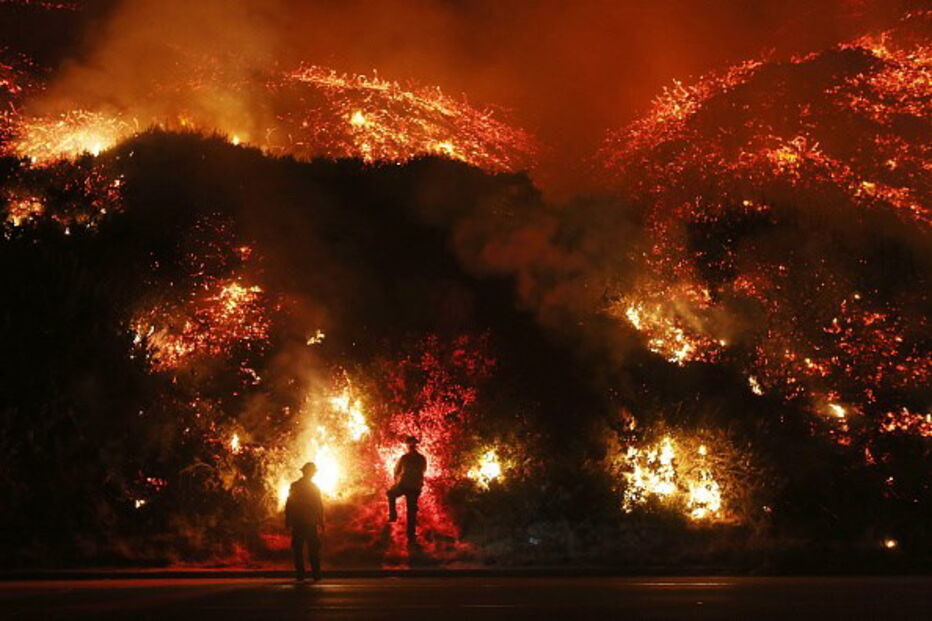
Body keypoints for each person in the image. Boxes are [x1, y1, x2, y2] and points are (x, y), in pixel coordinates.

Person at [285, 462, 324, 582]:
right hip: (309, 522)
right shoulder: (314, 487)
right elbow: (318, 505)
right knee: (313, 549)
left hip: (299, 522)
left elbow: (289, 504)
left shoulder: (295, 485)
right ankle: (315, 574)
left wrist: (288, 519)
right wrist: (320, 520)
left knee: (298, 549)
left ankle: (300, 574)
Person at [387, 436, 427, 539]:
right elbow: (423, 471)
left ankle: (393, 515)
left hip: (405, 485)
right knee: (411, 512)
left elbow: (396, 471)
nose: (411, 446)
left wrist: (397, 482)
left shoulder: (405, 458)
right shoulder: (421, 458)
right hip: (414, 487)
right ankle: (411, 535)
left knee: (391, 494)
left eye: (411, 444)